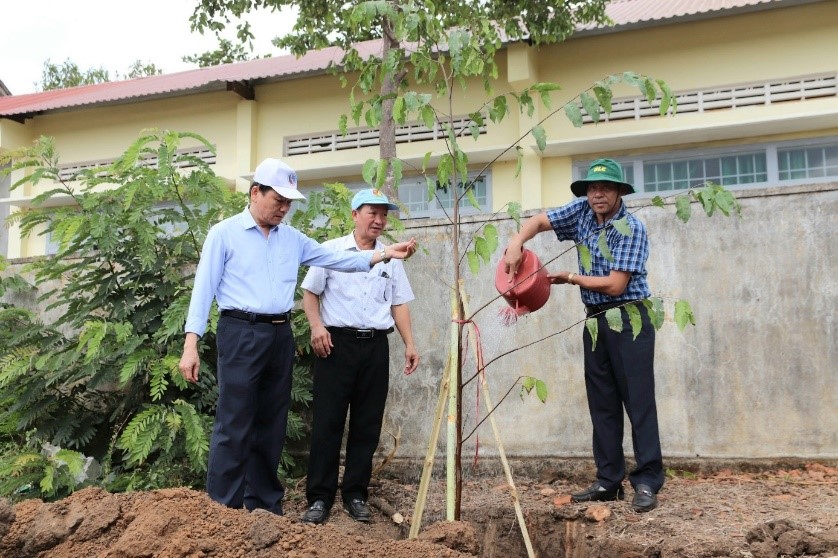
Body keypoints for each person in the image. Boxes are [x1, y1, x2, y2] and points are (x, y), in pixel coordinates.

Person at [178, 159, 416, 515]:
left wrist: (383, 254)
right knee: (235, 422)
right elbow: (203, 291)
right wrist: (190, 344)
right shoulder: (224, 234)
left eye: (289, 202)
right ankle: (223, 510)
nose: (284, 208)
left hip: (279, 334)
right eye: (278, 200)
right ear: (255, 192)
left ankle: (265, 507)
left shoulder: (292, 239)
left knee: (272, 422)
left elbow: (338, 259)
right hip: (240, 331)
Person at [503, 158, 664, 513]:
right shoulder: (581, 212)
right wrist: (516, 241)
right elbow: (541, 220)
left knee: (638, 401)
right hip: (594, 321)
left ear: (620, 191)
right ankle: (609, 481)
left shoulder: (630, 228)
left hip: (629, 315)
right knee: (602, 401)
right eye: (592, 188)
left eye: (605, 188)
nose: (598, 194)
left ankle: (648, 481)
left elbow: (615, 284)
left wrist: (570, 278)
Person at [300, 188, 420, 525]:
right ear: (355, 214)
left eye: (384, 214)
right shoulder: (333, 251)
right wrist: (316, 327)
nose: (379, 220)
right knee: (328, 423)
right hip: (336, 345)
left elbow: (399, 302)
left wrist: (410, 343)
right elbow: (309, 293)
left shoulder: (391, 256)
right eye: (373, 212)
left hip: (375, 347)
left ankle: (355, 493)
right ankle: (319, 498)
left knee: (368, 424)